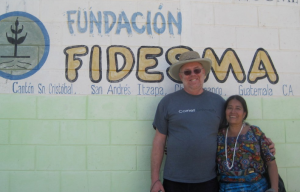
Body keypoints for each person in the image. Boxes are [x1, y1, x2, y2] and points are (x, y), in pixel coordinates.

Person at [150, 51, 275, 192]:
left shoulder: (218, 103)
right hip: (174, 180)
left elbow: (233, 131)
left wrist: (262, 142)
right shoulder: (167, 102)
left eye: (197, 70)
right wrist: (155, 180)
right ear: (181, 76)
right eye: (187, 72)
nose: (193, 75)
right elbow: (159, 142)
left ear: (203, 73)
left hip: (208, 180)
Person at [217, 95, 278, 192]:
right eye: (229, 108)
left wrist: (274, 189)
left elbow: (271, 162)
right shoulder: (219, 135)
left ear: (244, 113)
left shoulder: (255, 132)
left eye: (238, 108)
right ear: (225, 112)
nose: (233, 112)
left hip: (256, 187)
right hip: (227, 188)